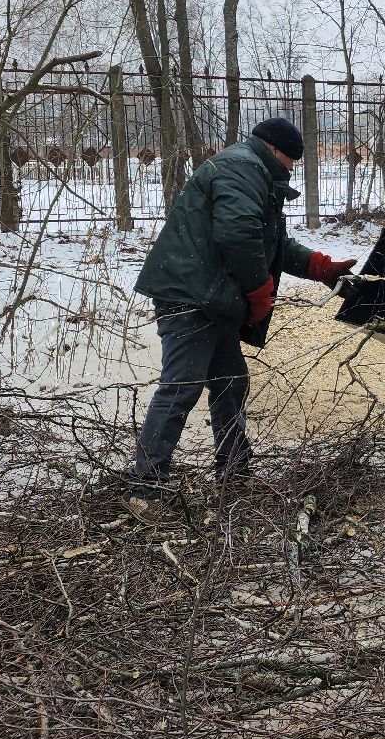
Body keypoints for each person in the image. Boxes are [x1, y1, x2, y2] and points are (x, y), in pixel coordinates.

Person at [125, 117, 356, 523]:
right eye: (290, 161)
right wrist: (258, 290)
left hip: (210, 297)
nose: (291, 169)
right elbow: (237, 233)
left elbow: (270, 241)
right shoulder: (242, 168)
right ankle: (146, 482)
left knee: (231, 381)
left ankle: (234, 470)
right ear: (274, 150)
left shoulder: (252, 170)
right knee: (181, 386)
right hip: (191, 295)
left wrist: (319, 267)